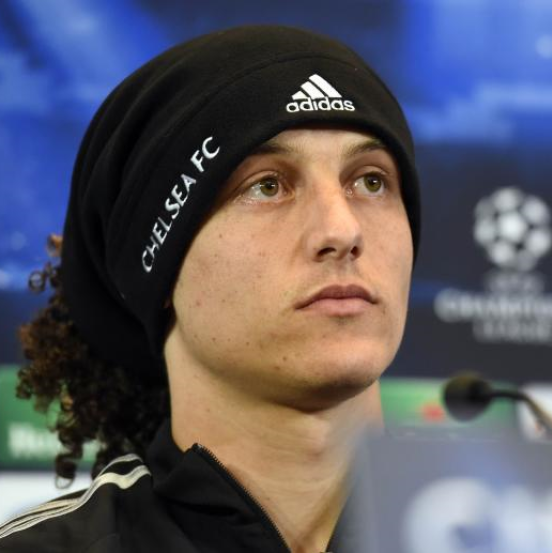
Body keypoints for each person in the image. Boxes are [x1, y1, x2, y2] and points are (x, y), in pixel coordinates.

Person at [0, 24, 419, 553]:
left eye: (370, 181)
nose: (342, 229)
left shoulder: (512, 526)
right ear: (159, 271)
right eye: (267, 185)